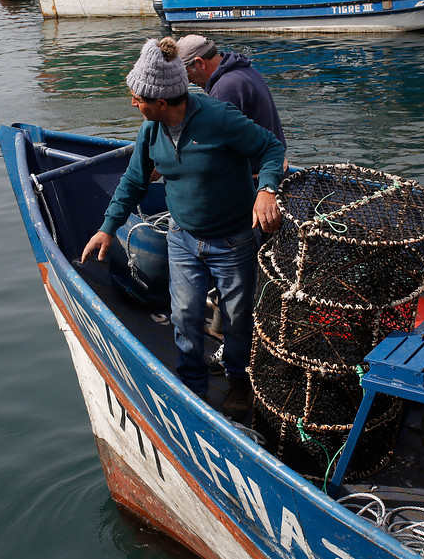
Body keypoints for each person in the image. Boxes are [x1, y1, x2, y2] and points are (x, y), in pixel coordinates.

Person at [81, 37, 286, 420]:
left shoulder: (220, 117)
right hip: (183, 239)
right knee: (185, 316)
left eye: (137, 97)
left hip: (233, 240)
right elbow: (133, 182)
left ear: (160, 102)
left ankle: (239, 380)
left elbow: (271, 148)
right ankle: (193, 384)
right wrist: (108, 228)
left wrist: (267, 190)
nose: (132, 103)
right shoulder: (150, 133)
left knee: (238, 319)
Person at [177, 34, 288, 174]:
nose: (190, 82)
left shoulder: (223, 88)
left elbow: (217, 147)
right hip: (278, 165)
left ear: (200, 63)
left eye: (187, 75)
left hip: (258, 177)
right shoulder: (243, 69)